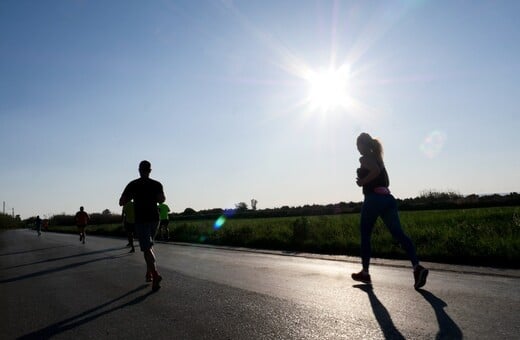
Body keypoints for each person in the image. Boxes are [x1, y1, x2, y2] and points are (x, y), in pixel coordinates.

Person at [351, 132, 428, 289]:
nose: (357, 149)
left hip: (373, 199)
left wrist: (363, 181)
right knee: (399, 234)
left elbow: (375, 172)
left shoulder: (365, 158)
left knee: (365, 235)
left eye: (357, 145)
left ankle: (365, 273)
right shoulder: (379, 159)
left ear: (363, 145)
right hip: (388, 199)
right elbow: (384, 178)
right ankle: (417, 267)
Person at [119, 160, 166, 292]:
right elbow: (162, 199)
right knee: (149, 246)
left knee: (146, 248)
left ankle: (155, 275)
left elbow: (121, 202)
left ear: (139, 170)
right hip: (154, 219)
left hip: (142, 219)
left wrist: (132, 196)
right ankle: (149, 273)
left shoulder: (133, 184)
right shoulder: (157, 184)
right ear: (150, 170)